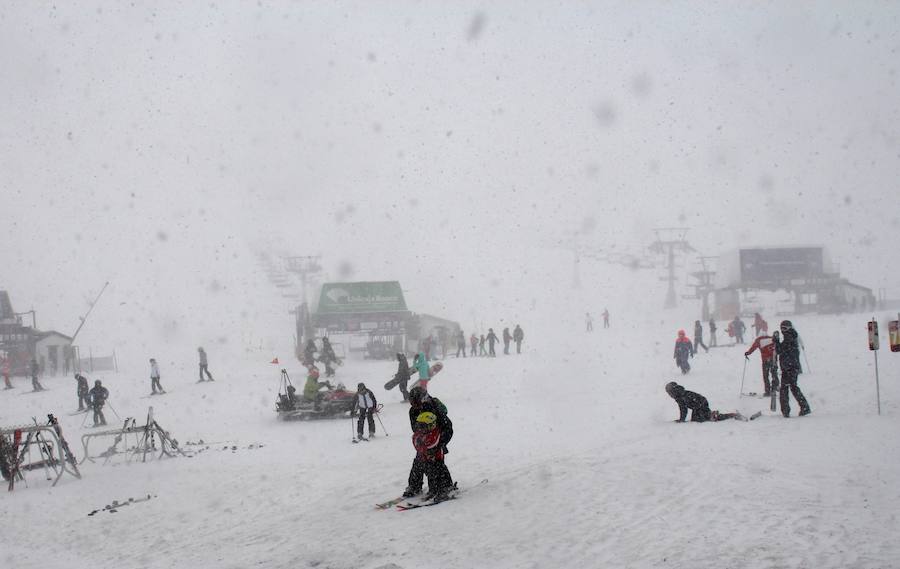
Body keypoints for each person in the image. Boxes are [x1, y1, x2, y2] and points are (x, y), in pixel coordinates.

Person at [403, 386, 454, 499]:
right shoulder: (413, 411)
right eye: (412, 402)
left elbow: (447, 427)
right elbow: (415, 429)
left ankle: (445, 486)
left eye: (415, 402)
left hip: (438, 438)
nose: (414, 405)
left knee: (436, 463)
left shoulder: (433, 407)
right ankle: (414, 486)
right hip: (424, 441)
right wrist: (421, 441)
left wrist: (440, 443)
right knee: (418, 462)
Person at [774, 320, 811, 418]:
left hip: (789, 367)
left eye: (785, 328)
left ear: (790, 328)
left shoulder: (789, 337)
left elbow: (779, 350)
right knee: (792, 387)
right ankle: (803, 407)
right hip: (790, 367)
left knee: (786, 389)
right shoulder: (791, 336)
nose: (783, 330)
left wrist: (776, 341)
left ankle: (787, 410)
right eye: (781, 328)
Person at [665, 382, 741, 422]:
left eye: (669, 393)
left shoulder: (680, 396)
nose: (669, 395)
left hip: (700, 403)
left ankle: (730, 415)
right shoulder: (680, 394)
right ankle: (713, 415)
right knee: (700, 418)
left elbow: (683, 409)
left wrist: (682, 420)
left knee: (700, 419)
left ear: (672, 391)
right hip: (700, 402)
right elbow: (684, 408)